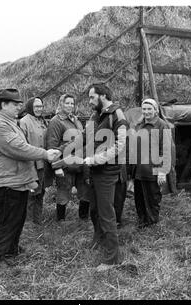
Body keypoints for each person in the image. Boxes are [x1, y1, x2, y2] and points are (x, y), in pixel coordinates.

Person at [0, 88, 61, 272]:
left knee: (17, 218)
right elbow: (19, 149)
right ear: (3, 105)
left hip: (14, 181)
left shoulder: (10, 122)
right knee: (5, 221)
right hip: (4, 183)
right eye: (15, 104)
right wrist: (45, 154)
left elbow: (23, 146)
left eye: (20, 103)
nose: (19, 107)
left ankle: (10, 250)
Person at [83, 83, 129, 270]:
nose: (90, 101)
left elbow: (119, 146)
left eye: (92, 97)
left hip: (107, 172)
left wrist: (95, 160)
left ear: (102, 96)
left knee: (106, 214)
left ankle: (112, 259)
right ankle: (99, 239)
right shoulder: (96, 115)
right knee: (94, 210)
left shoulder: (118, 115)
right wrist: (61, 151)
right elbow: (84, 136)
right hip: (94, 171)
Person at [46, 94, 90, 221]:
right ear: (61, 104)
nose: (70, 106)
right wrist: (56, 167)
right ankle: (60, 221)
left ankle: (83, 219)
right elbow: (52, 146)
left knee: (85, 191)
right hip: (65, 164)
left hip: (80, 162)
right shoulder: (56, 121)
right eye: (67, 103)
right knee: (63, 192)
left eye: (72, 103)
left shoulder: (75, 120)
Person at [132, 98, 171, 229]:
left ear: (156, 110)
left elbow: (165, 149)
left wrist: (162, 171)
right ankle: (142, 219)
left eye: (149, 109)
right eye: (144, 109)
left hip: (153, 169)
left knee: (152, 196)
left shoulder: (161, 125)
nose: (146, 111)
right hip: (139, 168)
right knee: (139, 197)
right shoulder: (139, 124)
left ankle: (152, 222)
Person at [19, 96, 51, 225]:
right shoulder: (24, 122)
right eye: (36, 106)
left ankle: (37, 220)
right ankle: (27, 223)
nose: (39, 109)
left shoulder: (42, 121)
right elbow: (22, 145)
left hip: (42, 164)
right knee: (31, 194)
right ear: (30, 107)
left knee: (40, 192)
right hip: (31, 164)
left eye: (41, 106)